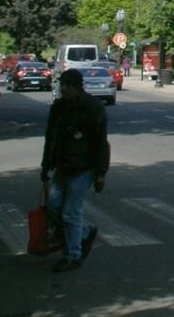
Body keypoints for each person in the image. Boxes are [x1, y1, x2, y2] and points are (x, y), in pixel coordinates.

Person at [41, 68, 110, 272]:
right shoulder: (59, 108)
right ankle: (84, 233)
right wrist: (46, 166)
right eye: (61, 85)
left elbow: (101, 143)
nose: (63, 89)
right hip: (62, 166)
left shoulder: (92, 108)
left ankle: (73, 255)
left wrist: (100, 174)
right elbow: (50, 138)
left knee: (71, 213)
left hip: (84, 168)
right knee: (54, 207)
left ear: (77, 87)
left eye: (67, 86)